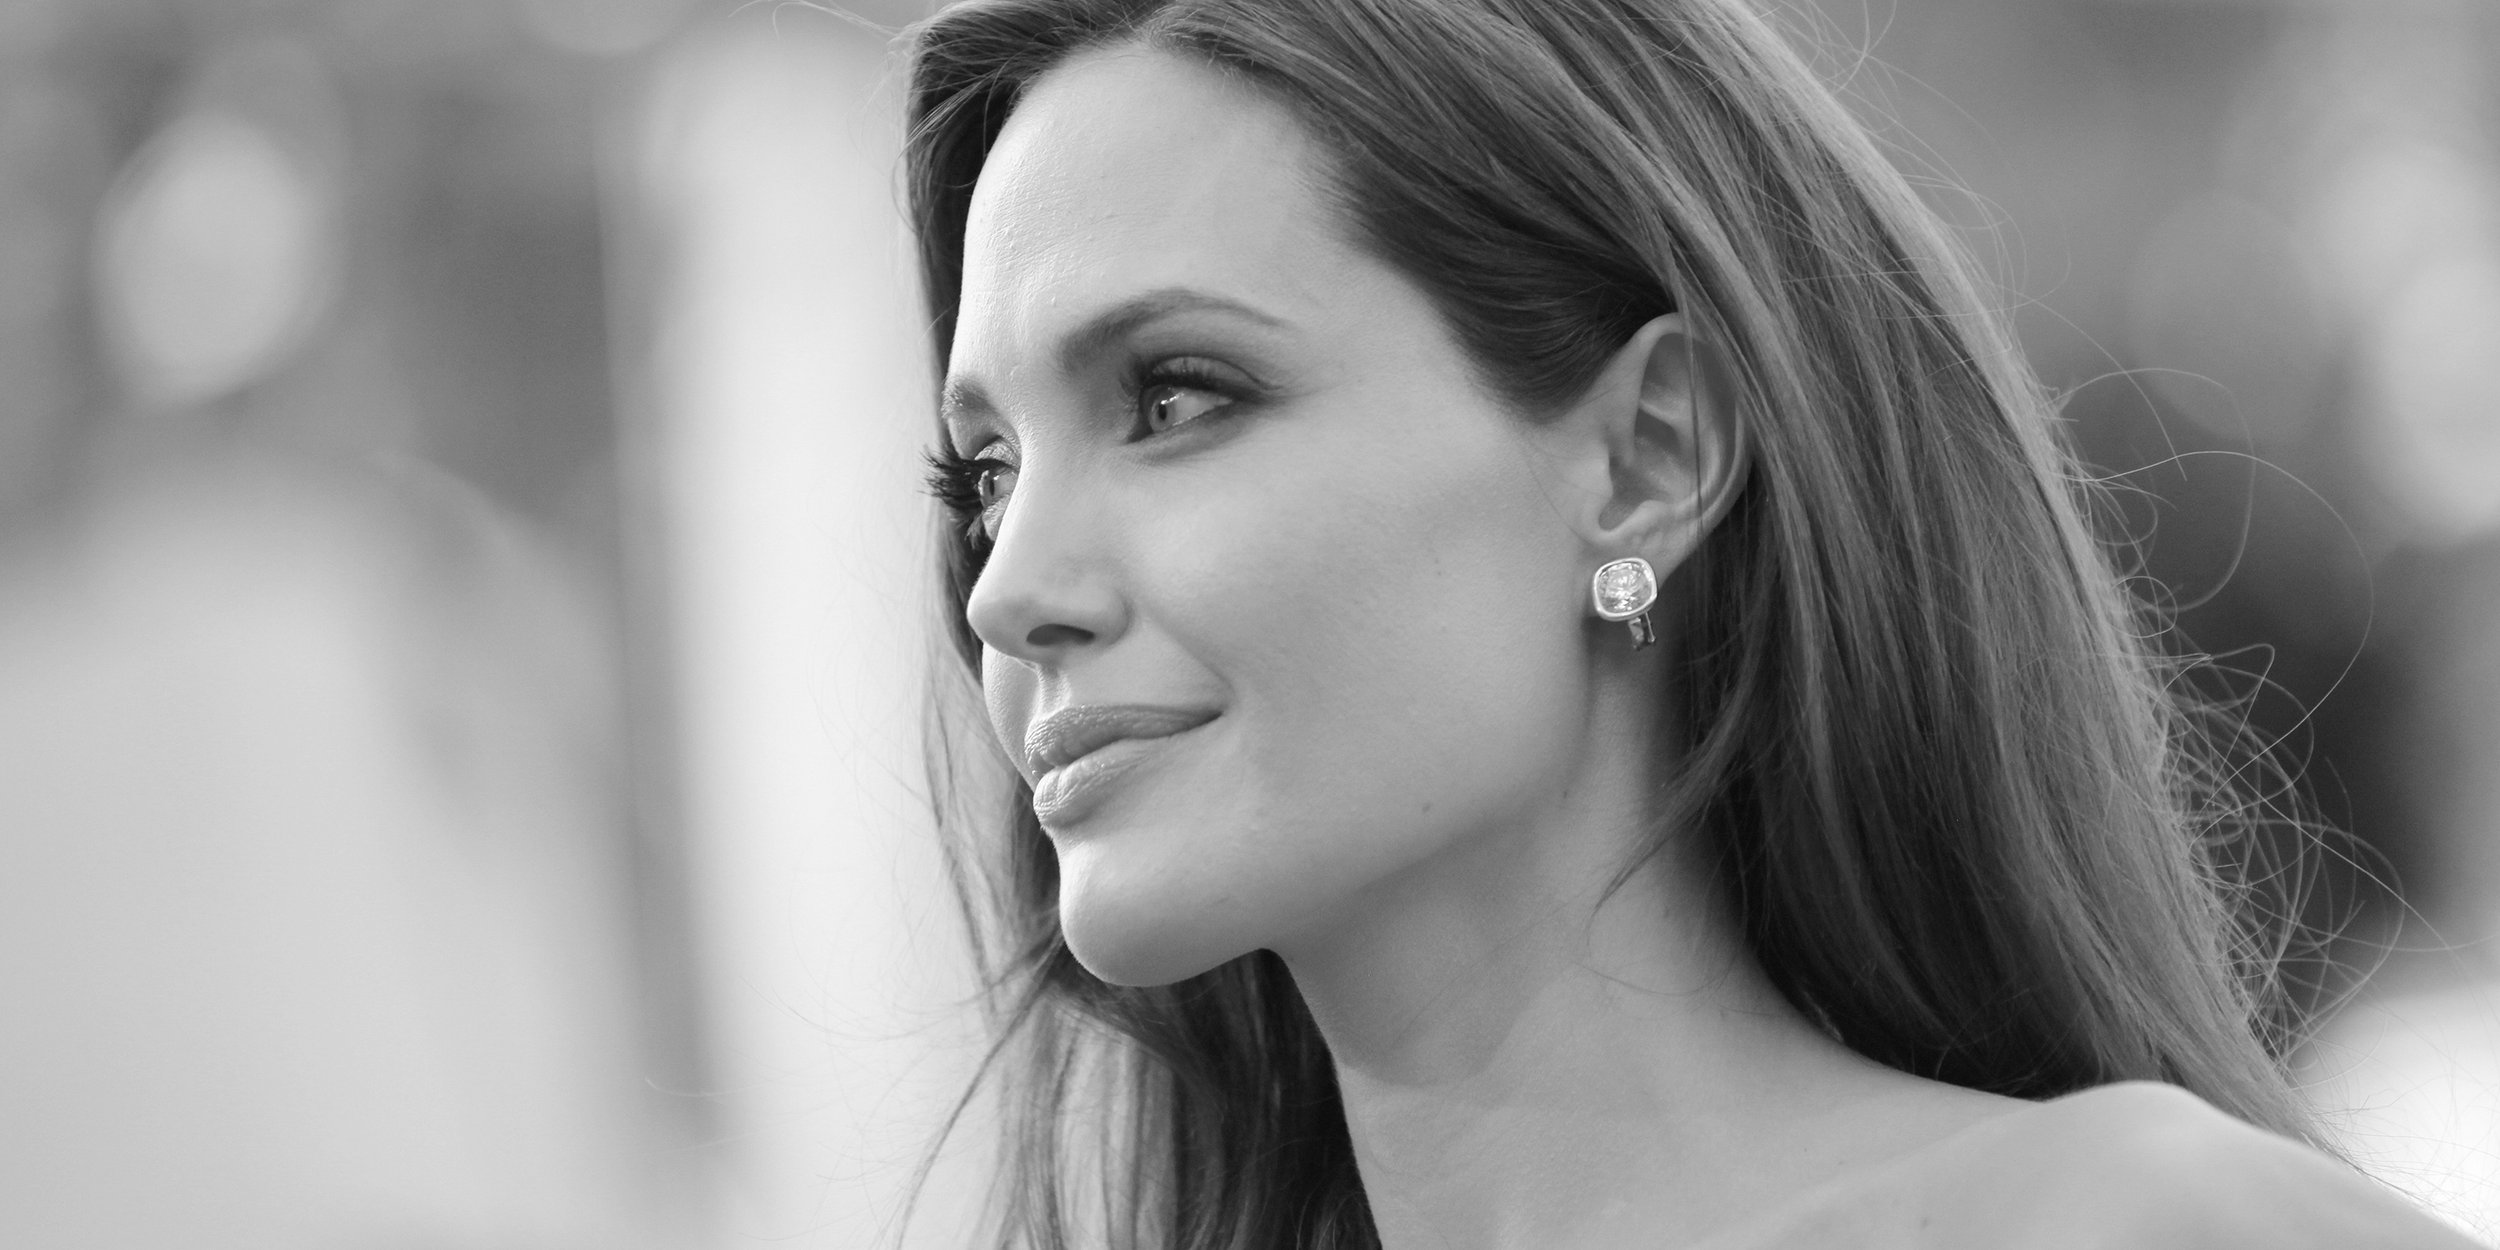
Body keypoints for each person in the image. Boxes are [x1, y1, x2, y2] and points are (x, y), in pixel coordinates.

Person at [900, 1, 2480, 1246]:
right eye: (983, 473)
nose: (1007, 583)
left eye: (1175, 397)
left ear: (1646, 456)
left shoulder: (2146, 1228)